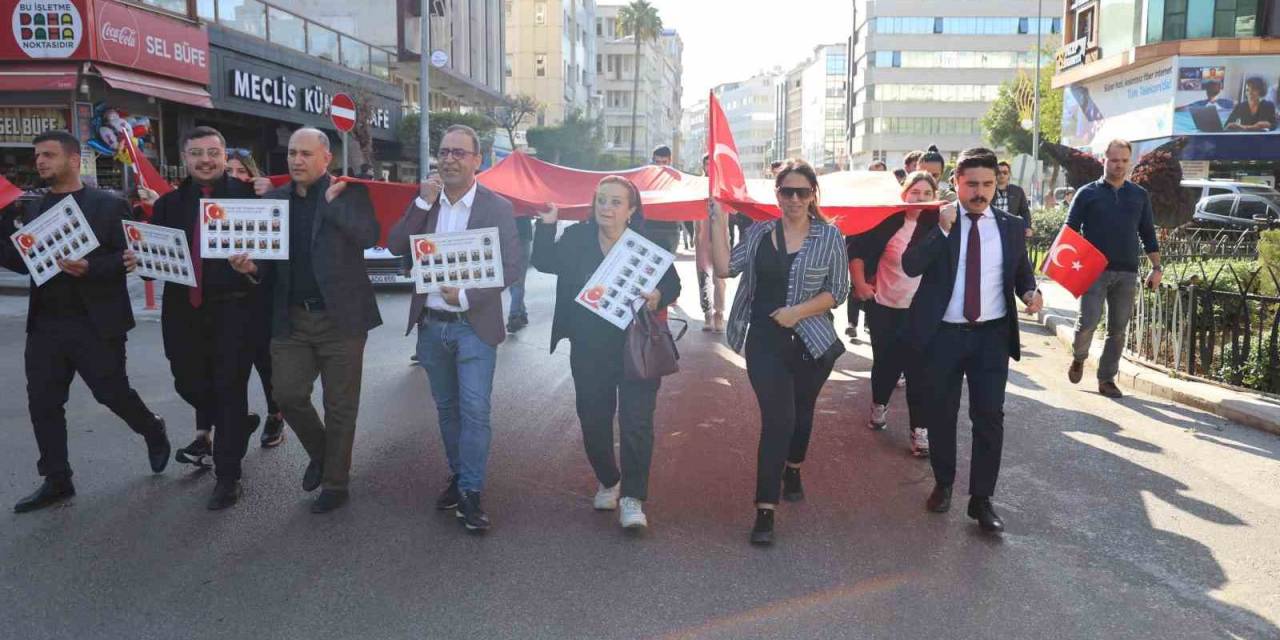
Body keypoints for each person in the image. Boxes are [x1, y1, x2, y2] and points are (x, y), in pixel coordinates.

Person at [1, 130, 170, 513]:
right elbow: (21, 261)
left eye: (48, 155)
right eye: (37, 155)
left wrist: (90, 267)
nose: (40, 162)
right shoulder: (31, 209)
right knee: (43, 401)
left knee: (111, 392)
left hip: (96, 322)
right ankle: (57, 478)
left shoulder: (108, 205)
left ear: (74, 160)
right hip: (46, 323)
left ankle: (152, 428)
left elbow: (129, 259)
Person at [901, 147, 1042, 534]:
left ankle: (982, 500)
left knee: (989, 417)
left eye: (987, 184)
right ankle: (944, 484)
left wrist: (1030, 293)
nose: (980, 192)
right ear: (956, 184)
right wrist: (943, 229)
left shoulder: (1011, 225)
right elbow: (910, 264)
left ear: (998, 183)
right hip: (944, 334)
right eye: (971, 185)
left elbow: (1021, 273)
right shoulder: (936, 220)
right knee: (942, 413)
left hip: (991, 337)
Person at [710, 158, 850, 546]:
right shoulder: (757, 234)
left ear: (812, 195)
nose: (793, 199)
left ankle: (794, 468)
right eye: (786, 191)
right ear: (776, 194)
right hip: (764, 343)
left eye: (801, 192)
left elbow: (838, 291)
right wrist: (717, 221)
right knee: (778, 420)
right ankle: (765, 510)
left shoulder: (830, 237)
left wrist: (796, 312)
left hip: (811, 342)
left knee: (801, 417)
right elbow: (723, 268)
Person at [387, 124, 520, 532]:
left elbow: (511, 266)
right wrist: (421, 205)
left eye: (459, 153)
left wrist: (465, 296)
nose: (449, 159)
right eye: (444, 152)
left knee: (475, 410)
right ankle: (460, 477)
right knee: (448, 410)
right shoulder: (428, 204)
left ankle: (471, 493)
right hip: (431, 326)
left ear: (477, 161)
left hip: (473, 325)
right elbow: (395, 246)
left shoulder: (495, 207)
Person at [530, 177, 681, 530]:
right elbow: (543, 261)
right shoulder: (576, 238)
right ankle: (609, 479)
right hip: (589, 347)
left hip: (636, 346)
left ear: (631, 210)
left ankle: (632, 498)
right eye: (601, 200)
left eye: (615, 202)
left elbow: (673, 283)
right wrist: (547, 224)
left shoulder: (647, 244)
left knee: (637, 424)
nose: (606, 208)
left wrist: (659, 295)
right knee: (593, 418)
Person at [246, 127, 382, 513]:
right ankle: (324, 454)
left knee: (341, 405)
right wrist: (250, 266)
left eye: (306, 154)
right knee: (287, 394)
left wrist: (334, 203)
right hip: (291, 319)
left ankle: (336, 483)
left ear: (327, 159)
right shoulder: (274, 201)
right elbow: (264, 262)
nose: (296, 161)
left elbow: (369, 235)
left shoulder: (349, 192)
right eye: (292, 153)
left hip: (342, 320)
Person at [148, 127, 262, 509]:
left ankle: (228, 476)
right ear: (186, 159)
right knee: (188, 383)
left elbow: (273, 257)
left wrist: (254, 267)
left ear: (223, 154)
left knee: (231, 390)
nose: (205, 160)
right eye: (197, 153)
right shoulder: (168, 204)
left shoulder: (249, 196)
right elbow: (153, 264)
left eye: (213, 152)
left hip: (235, 310)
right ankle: (234, 423)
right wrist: (140, 259)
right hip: (183, 311)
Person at [850, 171, 938, 457]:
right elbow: (858, 252)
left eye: (927, 193)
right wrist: (861, 284)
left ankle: (920, 430)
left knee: (919, 372)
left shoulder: (939, 226)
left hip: (920, 312)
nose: (921, 199)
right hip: (884, 306)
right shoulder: (887, 221)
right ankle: (879, 404)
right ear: (904, 194)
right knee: (886, 365)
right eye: (915, 192)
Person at [1066, 139, 1162, 399]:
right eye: (1114, 160)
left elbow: (1148, 233)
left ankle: (1106, 379)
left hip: (1128, 272)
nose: (1118, 165)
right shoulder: (1087, 193)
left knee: (1117, 330)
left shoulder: (1139, 195)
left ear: (1129, 162)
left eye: (1123, 161)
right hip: (1093, 271)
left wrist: (1156, 267)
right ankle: (1079, 357)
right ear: (1104, 159)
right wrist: (1063, 267)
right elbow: (1069, 231)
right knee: (1087, 323)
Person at [225, 148, 286, 446]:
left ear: (253, 174)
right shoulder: (210, 202)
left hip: (261, 298)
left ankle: (276, 414)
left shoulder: (266, 199)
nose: (235, 177)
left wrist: (271, 196)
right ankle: (220, 427)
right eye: (229, 171)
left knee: (265, 363)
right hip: (223, 302)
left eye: (241, 171)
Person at [698, 154, 727, 332]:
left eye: (712, 164)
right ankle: (707, 314)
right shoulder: (697, 184)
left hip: (720, 238)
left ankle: (719, 313)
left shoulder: (723, 186)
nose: (709, 167)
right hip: (701, 239)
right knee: (703, 278)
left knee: (720, 278)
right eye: (706, 164)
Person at [646, 145, 681, 253]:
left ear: (670, 160)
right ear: (653, 160)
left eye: (664, 162)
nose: (660, 166)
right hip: (649, 227)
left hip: (670, 229)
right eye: (657, 162)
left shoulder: (677, 178)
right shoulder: (646, 177)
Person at [506, 213, 534, 333]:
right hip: (522, 239)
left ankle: (521, 313)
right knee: (518, 281)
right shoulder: (524, 197)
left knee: (514, 280)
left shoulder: (505, 200)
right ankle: (515, 315)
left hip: (507, 241)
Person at [995, 161, 1032, 238]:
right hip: (993, 230)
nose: (1002, 175)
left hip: (1011, 231)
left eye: (1005, 172)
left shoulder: (1017, 191)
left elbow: (1024, 211)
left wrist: (1028, 227)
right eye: (999, 172)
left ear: (1009, 175)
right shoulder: (988, 191)